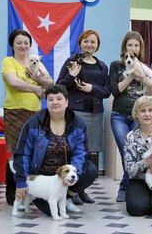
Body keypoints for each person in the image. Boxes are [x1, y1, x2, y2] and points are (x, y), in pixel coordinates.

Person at [13, 84, 97, 215]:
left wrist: (72, 176)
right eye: (51, 99)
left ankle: (67, 197)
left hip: (65, 174)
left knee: (91, 170)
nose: (55, 102)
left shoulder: (78, 124)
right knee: (50, 210)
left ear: (67, 102)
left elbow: (81, 153)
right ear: (46, 103)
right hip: (42, 178)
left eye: (59, 99)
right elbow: (23, 153)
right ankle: (52, 199)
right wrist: (21, 180)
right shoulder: (34, 123)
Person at [56, 29, 110, 205]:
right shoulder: (72, 62)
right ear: (80, 44)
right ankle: (71, 191)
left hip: (95, 113)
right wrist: (71, 75)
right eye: (86, 41)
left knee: (90, 153)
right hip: (75, 112)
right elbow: (60, 87)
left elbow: (106, 91)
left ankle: (81, 189)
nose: (89, 45)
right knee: (75, 152)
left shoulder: (102, 66)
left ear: (98, 45)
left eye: (93, 42)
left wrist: (91, 89)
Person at [1, 29, 53, 205]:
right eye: (19, 43)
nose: (23, 46)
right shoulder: (9, 61)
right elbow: (13, 82)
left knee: (33, 152)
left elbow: (50, 83)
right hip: (15, 111)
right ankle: (11, 192)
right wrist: (36, 88)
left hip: (36, 113)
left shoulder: (36, 61)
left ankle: (31, 192)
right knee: (16, 152)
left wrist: (38, 78)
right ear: (12, 45)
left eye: (26, 43)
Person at [109, 31, 152, 202]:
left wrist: (146, 80)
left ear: (140, 48)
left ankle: (130, 189)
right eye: (130, 45)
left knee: (137, 153)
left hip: (138, 117)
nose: (133, 48)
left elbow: (150, 93)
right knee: (125, 151)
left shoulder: (145, 66)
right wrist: (132, 75)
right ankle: (125, 189)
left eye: (136, 45)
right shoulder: (116, 65)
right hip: (119, 115)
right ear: (124, 48)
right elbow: (115, 90)